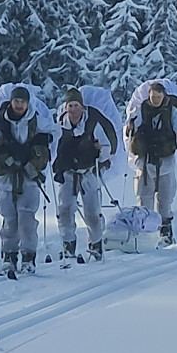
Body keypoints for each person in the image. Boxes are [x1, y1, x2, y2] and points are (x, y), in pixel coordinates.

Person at [0, 85, 55, 275]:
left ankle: (28, 258)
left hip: (29, 177)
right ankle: (9, 256)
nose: (19, 105)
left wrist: (47, 140)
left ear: (28, 103)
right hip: (6, 178)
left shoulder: (37, 121)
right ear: (11, 102)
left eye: (22, 101)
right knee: (10, 220)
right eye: (16, 101)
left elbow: (54, 136)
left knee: (27, 219)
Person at [52, 87, 116, 262]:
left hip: (88, 172)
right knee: (65, 210)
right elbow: (53, 147)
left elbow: (108, 147)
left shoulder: (93, 122)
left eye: (76, 105)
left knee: (92, 212)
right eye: (70, 106)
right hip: (67, 174)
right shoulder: (60, 124)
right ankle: (68, 245)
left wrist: (100, 152)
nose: (73, 110)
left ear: (82, 107)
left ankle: (96, 245)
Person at [124, 80, 177, 246]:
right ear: (149, 95)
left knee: (165, 199)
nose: (156, 100)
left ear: (163, 96)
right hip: (144, 161)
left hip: (165, 161)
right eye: (153, 97)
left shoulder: (171, 111)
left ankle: (165, 231)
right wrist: (129, 129)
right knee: (144, 199)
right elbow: (131, 127)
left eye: (158, 97)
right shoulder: (140, 109)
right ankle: (146, 233)